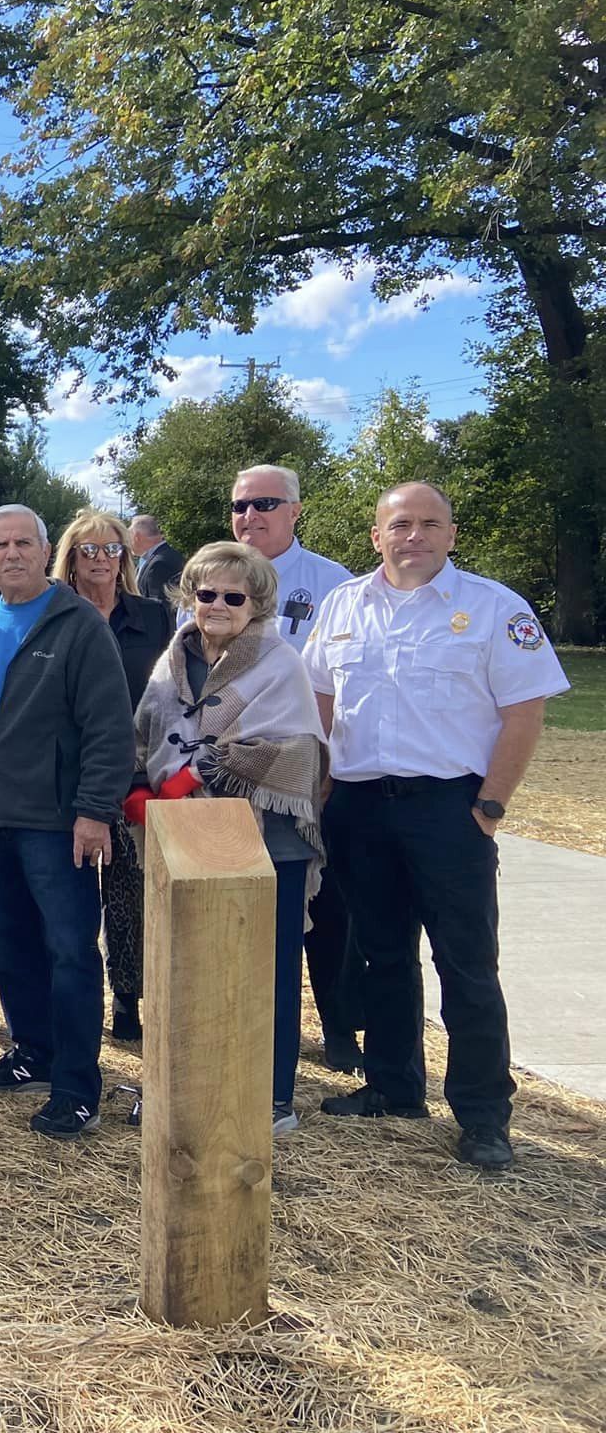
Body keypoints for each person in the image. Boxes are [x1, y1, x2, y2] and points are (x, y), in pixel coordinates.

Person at [304, 482, 568, 1171]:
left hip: (450, 809)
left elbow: (524, 711)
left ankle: (483, 1115)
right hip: (360, 805)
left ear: (452, 534)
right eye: (400, 524)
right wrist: (326, 790)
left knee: (466, 965)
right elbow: (322, 701)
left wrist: (491, 806)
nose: (413, 536)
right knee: (383, 955)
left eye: (429, 524)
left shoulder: (493, 608)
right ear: (376, 536)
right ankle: (393, 1088)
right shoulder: (343, 605)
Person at [131, 541, 327, 1134]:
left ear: (257, 604)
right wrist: (141, 785)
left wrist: (197, 772)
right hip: (187, 834)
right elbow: (148, 728)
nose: (216, 604)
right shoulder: (173, 657)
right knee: (193, 959)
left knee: (266, 969)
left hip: (268, 839)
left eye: (232, 596)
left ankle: (272, 1098)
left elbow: (296, 753)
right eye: (204, 593)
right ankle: (199, 1081)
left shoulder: (279, 660)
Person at [0, 506, 133, 1139]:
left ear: (45, 548)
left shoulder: (79, 624)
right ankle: (33, 1052)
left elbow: (110, 729)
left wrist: (93, 812)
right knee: (11, 945)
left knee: (70, 953)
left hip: (57, 823)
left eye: (23, 543)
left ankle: (78, 1086)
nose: (11, 554)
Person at [232, 463, 365, 1072]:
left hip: (310, 776)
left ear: (294, 511)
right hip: (229, 777)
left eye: (264, 503)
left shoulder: (333, 585)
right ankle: (252, 1027)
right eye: (240, 505)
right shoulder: (214, 576)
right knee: (247, 909)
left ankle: (339, 1028)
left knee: (325, 907)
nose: (249, 516)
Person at [52, 507, 174, 1042]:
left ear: (125, 556)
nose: (101, 560)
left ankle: (129, 999)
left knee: (131, 895)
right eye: (89, 550)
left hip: (139, 773)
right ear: (71, 558)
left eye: (112, 549)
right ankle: (73, 1002)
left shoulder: (154, 617)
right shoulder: (52, 614)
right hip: (64, 776)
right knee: (71, 898)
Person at [130, 513, 183, 606]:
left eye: (128, 536)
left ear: (136, 537)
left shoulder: (160, 563)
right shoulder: (157, 557)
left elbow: (159, 606)